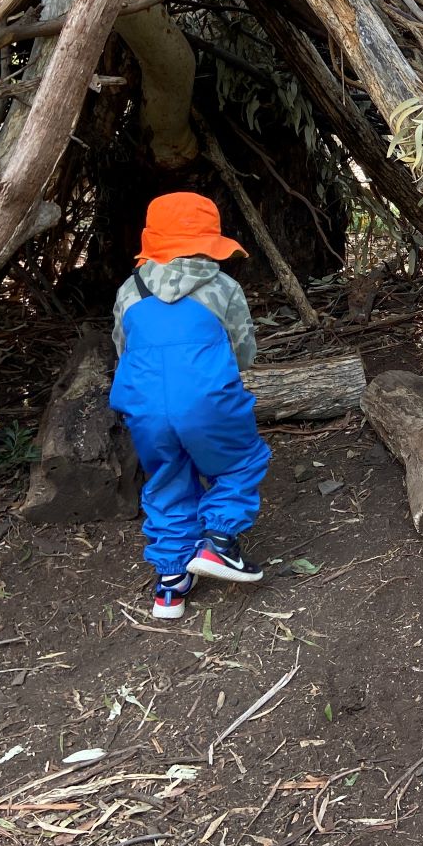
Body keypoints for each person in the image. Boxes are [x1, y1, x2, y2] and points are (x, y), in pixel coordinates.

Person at [110, 193, 271, 620]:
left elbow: (122, 349)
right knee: (241, 461)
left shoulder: (130, 289)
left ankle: (171, 583)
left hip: (143, 407)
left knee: (166, 477)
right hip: (207, 402)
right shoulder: (222, 288)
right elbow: (243, 351)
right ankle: (218, 542)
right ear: (208, 241)